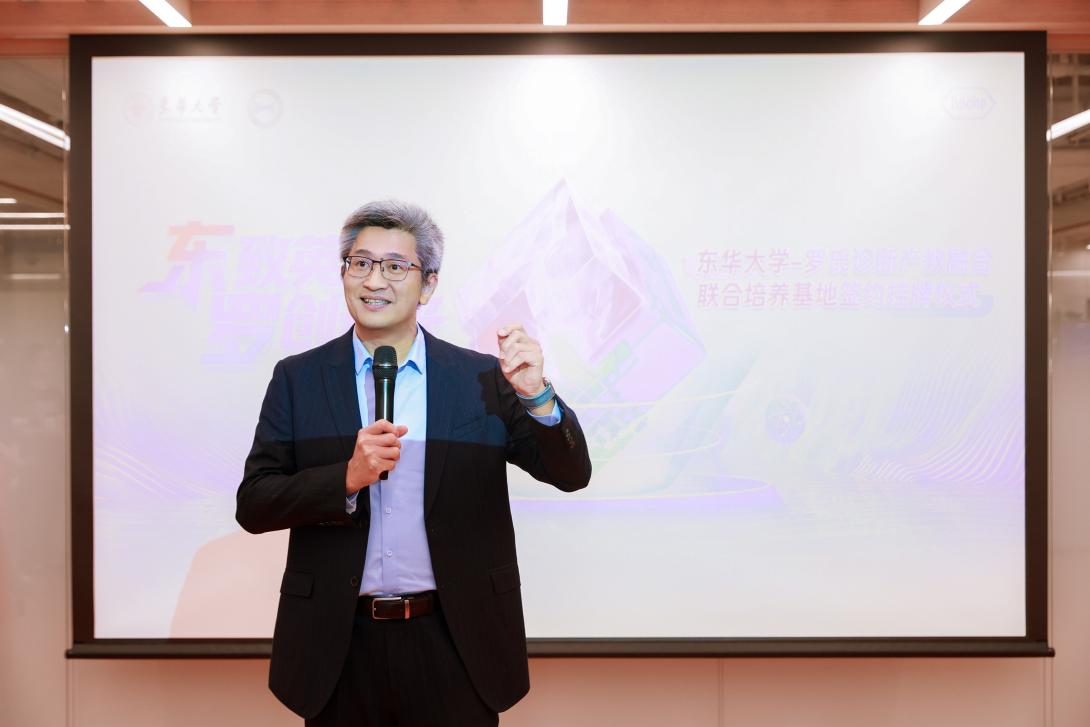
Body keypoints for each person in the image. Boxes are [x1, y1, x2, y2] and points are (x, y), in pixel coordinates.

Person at [236, 200, 591, 726]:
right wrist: (345, 479)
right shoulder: (298, 378)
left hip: (455, 641)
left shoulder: (480, 379)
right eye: (360, 263)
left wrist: (537, 396)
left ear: (427, 285)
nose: (374, 280)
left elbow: (570, 474)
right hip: (338, 645)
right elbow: (254, 503)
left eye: (395, 266)